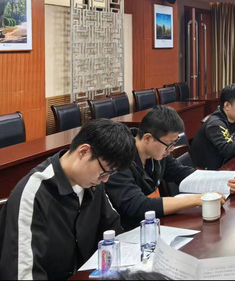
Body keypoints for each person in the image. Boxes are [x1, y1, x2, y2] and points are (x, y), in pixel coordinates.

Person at [0, 119, 136, 280]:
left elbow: (113, 234)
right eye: (104, 172)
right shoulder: (33, 195)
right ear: (83, 151)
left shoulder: (92, 185)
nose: (105, 180)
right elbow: (23, 275)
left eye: (110, 174)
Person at [105, 106, 235, 230]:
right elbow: (139, 205)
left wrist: (221, 182)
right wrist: (196, 200)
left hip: (154, 225)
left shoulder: (157, 154)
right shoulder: (120, 159)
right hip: (128, 232)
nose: (171, 150)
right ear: (147, 138)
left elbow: (181, 173)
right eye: (169, 144)